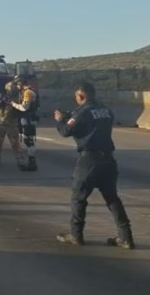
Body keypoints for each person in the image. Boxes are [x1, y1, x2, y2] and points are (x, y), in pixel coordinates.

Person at [55, 81, 134, 249]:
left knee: (78, 198)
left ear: (81, 96)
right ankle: (125, 236)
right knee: (112, 198)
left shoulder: (81, 113)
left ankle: (76, 234)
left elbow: (65, 131)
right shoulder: (106, 110)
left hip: (89, 160)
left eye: (76, 96)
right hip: (108, 160)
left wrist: (61, 119)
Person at [0, 81, 27, 169]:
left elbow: (23, 108)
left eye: (13, 89)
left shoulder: (19, 97)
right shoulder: (1, 96)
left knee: (15, 143)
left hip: (12, 123)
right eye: (11, 89)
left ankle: (20, 159)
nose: (12, 90)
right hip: (0, 122)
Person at [11, 76, 40, 172]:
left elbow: (24, 107)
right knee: (29, 140)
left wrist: (13, 104)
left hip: (28, 119)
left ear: (21, 83)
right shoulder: (32, 91)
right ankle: (32, 162)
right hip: (30, 119)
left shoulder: (28, 92)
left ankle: (32, 163)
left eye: (18, 84)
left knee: (29, 141)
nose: (17, 87)